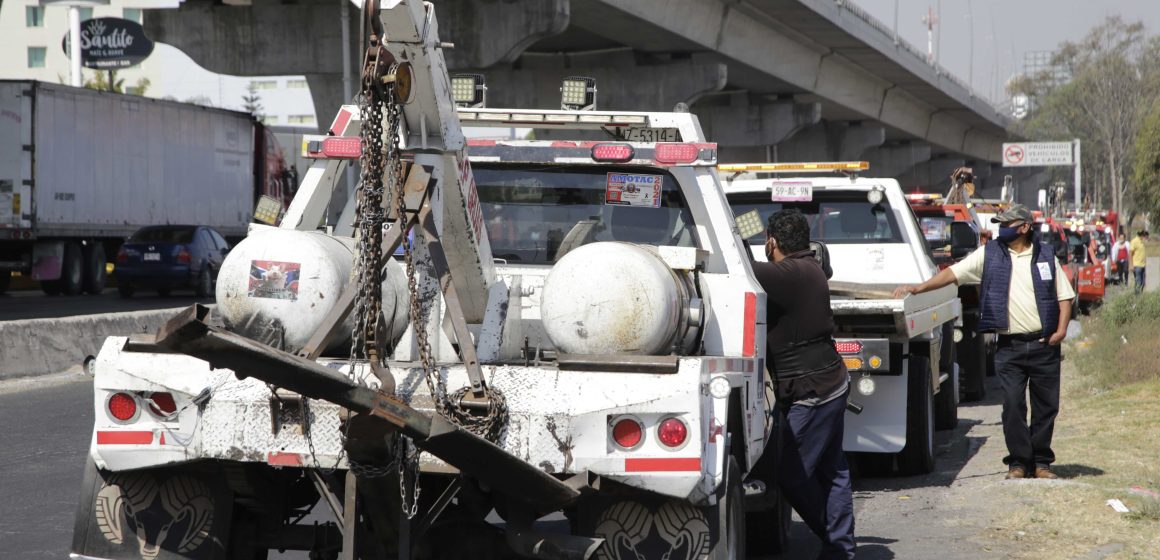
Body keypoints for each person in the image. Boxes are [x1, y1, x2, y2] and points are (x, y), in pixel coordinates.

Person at [893, 204, 1074, 480]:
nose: (1002, 229)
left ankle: (1041, 463)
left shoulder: (1046, 256)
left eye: (1008, 224)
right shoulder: (990, 254)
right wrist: (918, 288)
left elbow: (1065, 297)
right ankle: (1018, 463)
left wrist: (1061, 331)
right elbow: (953, 274)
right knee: (1013, 405)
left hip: (1044, 345)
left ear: (1024, 227)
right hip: (1010, 347)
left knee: (1046, 407)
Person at [752, 209, 855, 559]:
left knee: (792, 475)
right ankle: (840, 549)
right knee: (833, 469)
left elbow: (739, 269)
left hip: (812, 391)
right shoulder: (810, 267)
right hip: (829, 381)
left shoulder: (790, 273)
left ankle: (837, 543)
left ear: (772, 243)